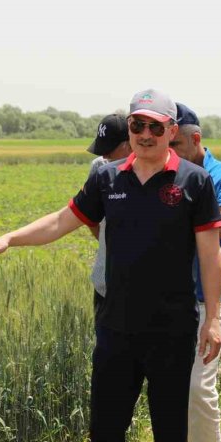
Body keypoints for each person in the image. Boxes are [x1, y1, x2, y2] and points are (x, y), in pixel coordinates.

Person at [0, 89, 221, 442]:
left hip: (172, 331)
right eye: (137, 125)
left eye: (155, 127)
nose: (145, 134)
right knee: (105, 432)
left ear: (171, 130)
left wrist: (212, 321)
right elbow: (60, 221)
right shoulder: (107, 178)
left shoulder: (194, 181)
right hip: (116, 328)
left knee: (171, 433)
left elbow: (211, 255)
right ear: (129, 127)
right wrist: (8, 239)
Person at [168, 102, 221, 442]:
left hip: (207, 297)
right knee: (172, 388)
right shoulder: (163, 173)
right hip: (167, 297)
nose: (171, 155)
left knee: (199, 388)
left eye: (177, 146)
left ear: (195, 138)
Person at [85, 113, 131, 310]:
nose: (104, 156)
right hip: (105, 281)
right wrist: (110, 243)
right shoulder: (100, 168)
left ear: (130, 143)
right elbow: (88, 216)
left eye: (110, 150)